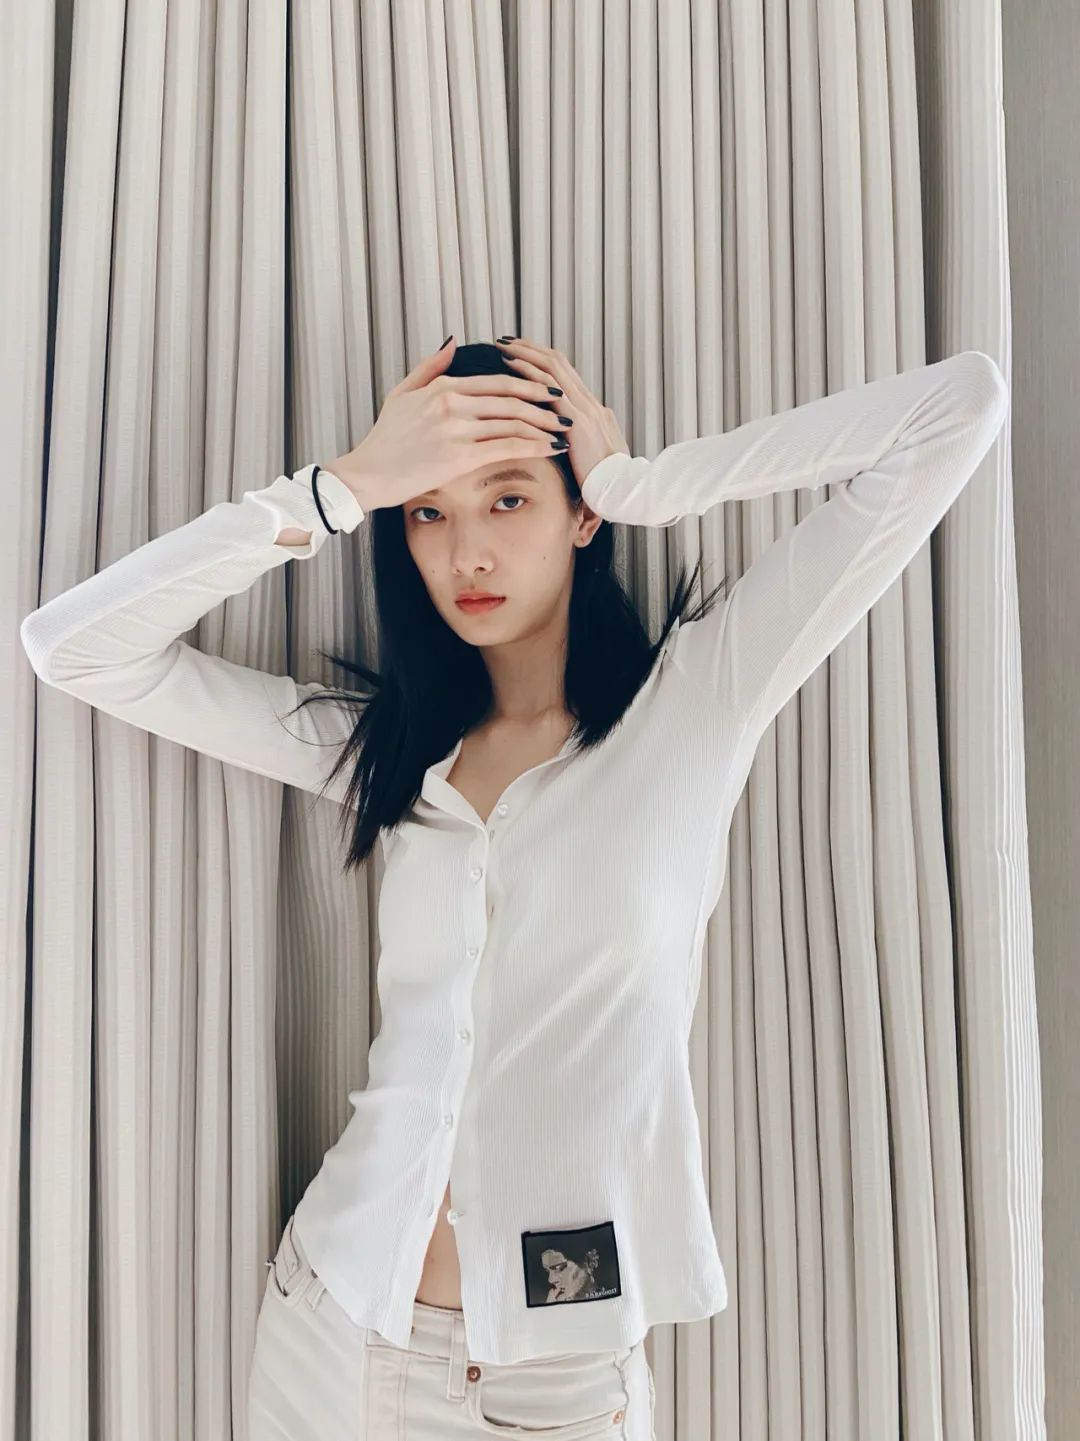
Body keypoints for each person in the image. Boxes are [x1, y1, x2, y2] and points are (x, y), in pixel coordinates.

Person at [19, 334, 1009, 1440]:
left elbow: (960, 407)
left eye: (507, 498)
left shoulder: (697, 698)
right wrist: (344, 488)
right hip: (329, 1330)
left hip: (552, 1384)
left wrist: (641, 483)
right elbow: (74, 648)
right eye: (428, 512)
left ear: (578, 512)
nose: (467, 553)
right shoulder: (391, 752)